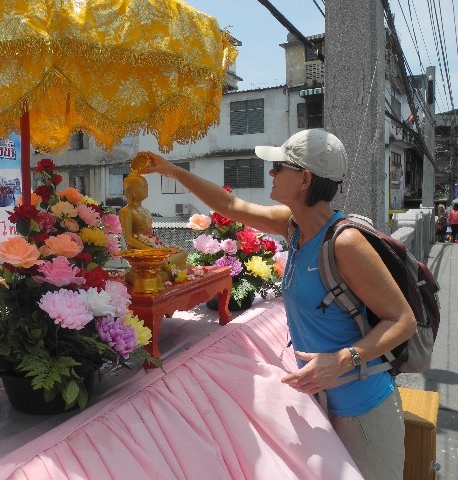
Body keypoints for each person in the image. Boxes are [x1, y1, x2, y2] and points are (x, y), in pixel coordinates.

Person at [140, 129, 416, 480]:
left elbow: (401, 319)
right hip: (321, 405)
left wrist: (343, 360)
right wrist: (173, 171)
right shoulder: (294, 228)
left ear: (304, 179)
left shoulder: (345, 243)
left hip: (364, 410)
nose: (271, 173)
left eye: (279, 166)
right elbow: (230, 206)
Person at [119, 171, 187, 282]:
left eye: (146, 187)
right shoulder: (126, 211)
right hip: (142, 254)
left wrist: (163, 248)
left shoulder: (145, 210)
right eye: (142, 188)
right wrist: (151, 251)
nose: (146, 190)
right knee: (162, 266)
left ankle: (167, 272)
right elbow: (129, 239)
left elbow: (151, 235)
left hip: (154, 252)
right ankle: (165, 273)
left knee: (183, 252)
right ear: (129, 191)